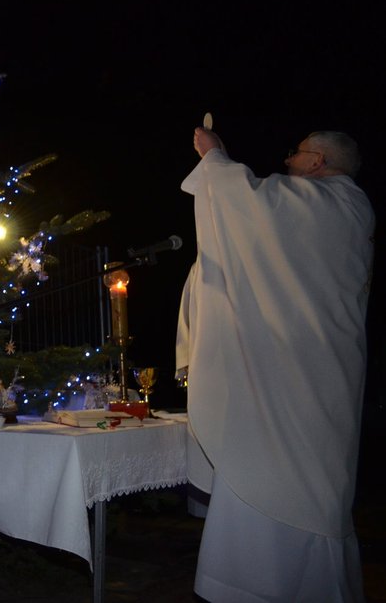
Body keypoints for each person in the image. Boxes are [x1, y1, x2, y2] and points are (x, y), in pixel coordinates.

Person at [177, 127, 374, 602]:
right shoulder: (332, 209)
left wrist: (218, 159)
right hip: (294, 370)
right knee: (270, 466)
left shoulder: (337, 207)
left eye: (296, 153)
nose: (288, 161)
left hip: (309, 374)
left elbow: (252, 205)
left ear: (317, 162)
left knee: (305, 485)